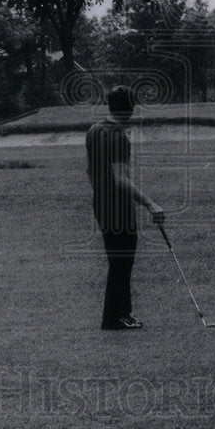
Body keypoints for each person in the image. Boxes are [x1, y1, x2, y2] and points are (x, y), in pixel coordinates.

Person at [85, 85, 165, 331]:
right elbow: (121, 178)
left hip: (101, 201)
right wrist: (151, 204)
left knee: (118, 259)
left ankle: (122, 313)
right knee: (122, 261)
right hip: (117, 206)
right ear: (129, 108)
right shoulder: (118, 137)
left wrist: (100, 191)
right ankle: (113, 317)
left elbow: (90, 171)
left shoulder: (93, 130)